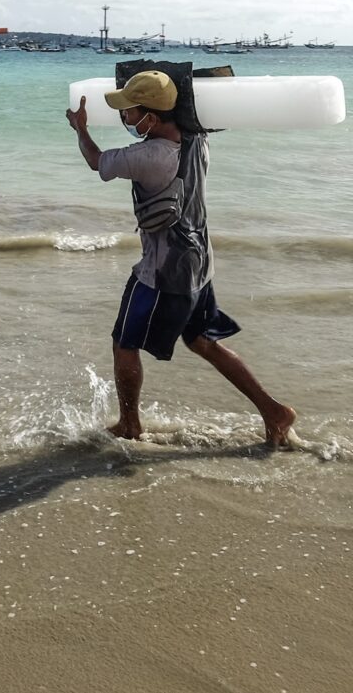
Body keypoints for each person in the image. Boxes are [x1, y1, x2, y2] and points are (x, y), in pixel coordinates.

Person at [65, 69, 295, 447]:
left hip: (163, 271)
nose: (125, 118)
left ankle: (129, 424)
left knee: (124, 343)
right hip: (199, 262)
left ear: (150, 118)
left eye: (129, 112)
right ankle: (273, 411)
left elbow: (96, 161)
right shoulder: (196, 140)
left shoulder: (149, 155)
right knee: (203, 342)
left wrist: (80, 128)